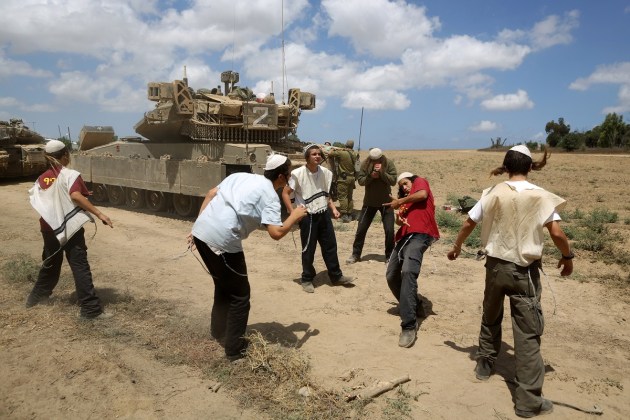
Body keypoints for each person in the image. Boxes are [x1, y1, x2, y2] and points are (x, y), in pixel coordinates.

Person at [447, 145, 573, 418]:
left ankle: (484, 364)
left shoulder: (493, 192)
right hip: (525, 272)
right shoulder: (540, 196)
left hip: (494, 268)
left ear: (506, 166)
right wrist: (568, 256)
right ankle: (528, 401)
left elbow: (469, 222)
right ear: (530, 167)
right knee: (527, 334)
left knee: (490, 315)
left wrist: (457, 247)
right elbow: (557, 233)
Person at [190, 154, 308, 361]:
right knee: (240, 296)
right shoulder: (270, 196)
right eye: (289, 172)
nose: (290, 175)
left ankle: (217, 332)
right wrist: (295, 216)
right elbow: (276, 233)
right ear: (282, 176)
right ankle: (234, 350)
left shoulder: (240, 176)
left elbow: (210, 194)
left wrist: (198, 226)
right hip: (223, 242)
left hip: (201, 232)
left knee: (223, 285)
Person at [26, 140, 114, 319]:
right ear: (65, 155)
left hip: (49, 227)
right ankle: (90, 310)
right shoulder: (70, 175)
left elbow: (38, 200)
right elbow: (75, 195)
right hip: (69, 228)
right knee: (79, 265)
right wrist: (100, 214)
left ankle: (35, 299)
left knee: (51, 263)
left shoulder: (42, 178)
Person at [282, 144, 354, 293]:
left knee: (330, 246)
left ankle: (336, 276)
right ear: (307, 157)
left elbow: (325, 194)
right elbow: (285, 193)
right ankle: (307, 278)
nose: (317, 156)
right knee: (309, 248)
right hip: (307, 216)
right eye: (313, 154)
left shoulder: (325, 173)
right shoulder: (298, 174)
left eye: (319, 154)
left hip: (323, 214)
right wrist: (292, 213)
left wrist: (333, 209)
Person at [383, 171, 440, 348]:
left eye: (406, 183)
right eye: (401, 187)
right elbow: (400, 223)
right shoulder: (407, 203)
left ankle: (409, 325)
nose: (404, 187)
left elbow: (422, 194)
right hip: (403, 237)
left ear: (414, 181)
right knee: (392, 275)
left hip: (421, 235)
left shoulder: (421, 183)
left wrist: (399, 201)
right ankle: (415, 304)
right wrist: (400, 217)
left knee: (408, 271)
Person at [346, 147, 397, 264]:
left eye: (377, 159)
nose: (375, 161)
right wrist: (371, 176)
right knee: (361, 229)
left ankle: (389, 256)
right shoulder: (365, 164)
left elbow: (393, 180)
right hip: (369, 203)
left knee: (389, 230)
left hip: (386, 203)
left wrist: (382, 173)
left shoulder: (388, 163)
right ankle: (355, 254)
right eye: (373, 159)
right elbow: (360, 181)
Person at [327, 140, 359, 223]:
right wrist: (355, 177)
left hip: (343, 178)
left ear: (345, 145)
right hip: (352, 178)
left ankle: (344, 215)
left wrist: (335, 149)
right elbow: (358, 168)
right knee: (349, 197)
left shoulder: (341, 153)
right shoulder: (356, 155)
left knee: (342, 197)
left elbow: (330, 153)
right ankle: (349, 214)